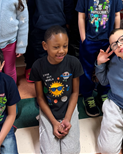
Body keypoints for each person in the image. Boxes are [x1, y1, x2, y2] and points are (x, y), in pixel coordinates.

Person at [76, 0, 122, 117]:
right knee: (87, 69)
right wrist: (83, 39)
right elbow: (81, 16)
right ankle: (88, 96)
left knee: (108, 68)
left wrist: (116, 37)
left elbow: (117, 15)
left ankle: (103, 93)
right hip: (89, 40)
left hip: (108, 40)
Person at [30, 26, 84, 154]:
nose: (61, 51)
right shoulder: (38, 66)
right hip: (48, 110)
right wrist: (54, 122)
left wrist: (67, 118)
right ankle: (43, 120)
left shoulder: (74, 63)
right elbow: (40, 98)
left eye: (65, 46)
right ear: (45, 46)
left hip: (68, 109)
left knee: (70, 152)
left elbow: (75, 93)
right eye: (56, 47)